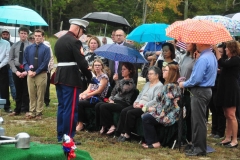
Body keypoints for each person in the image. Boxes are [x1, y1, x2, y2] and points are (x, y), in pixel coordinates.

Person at [54, 19, 92, 143]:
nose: (82, 34)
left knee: (62, 107)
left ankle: (60, 135)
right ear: (78, 29)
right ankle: (68, 137)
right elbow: (82, 62)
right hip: (70, 77)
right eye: (82, 31)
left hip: (59, 76)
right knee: (70, 109)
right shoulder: (75, 42)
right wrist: (90, 77)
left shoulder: (59, 40)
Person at [179, 43, 217, 156]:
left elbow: (196, 79)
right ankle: (196, 146)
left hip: (200, 91)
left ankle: (199, 149)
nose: (195, 44)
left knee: (198, 122)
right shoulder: (210, 56)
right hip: (205, 90)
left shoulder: (203, 58)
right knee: (198, 120)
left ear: (202, 43)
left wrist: (184, 83)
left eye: (197, 42)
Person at [116, 66, 163, 142]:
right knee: (124, 111)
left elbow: (155, 100)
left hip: (148, 107)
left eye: (151, 74)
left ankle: (127, 134)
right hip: (139, 104)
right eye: (148, 74)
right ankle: (121, 132)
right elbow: (140, 94)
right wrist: (136, 102)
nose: (149, 75)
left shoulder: (159, 86)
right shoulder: (147, 84)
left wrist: (143, 106)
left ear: (157, 75)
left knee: (130, 113)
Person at [142, 64, 181, 149]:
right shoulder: (167, 85)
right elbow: (160, 101)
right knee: (145, 114)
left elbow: (167, 106)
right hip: (165, 111)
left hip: (170, 114)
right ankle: (149, 139)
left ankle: (154, 142)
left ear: (171, 73)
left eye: (165, 70)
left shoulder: (171, 86)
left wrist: (154, 109)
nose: (163, 72)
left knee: (146, 117)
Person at [95, 62, 136, 134]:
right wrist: (111, 99)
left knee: (103, 106)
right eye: (121, 69)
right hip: (115, 101)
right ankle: (104, 125)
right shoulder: (121, 81)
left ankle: (111, 125)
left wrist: (116, 81)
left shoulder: (131, 83)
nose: (122, 71)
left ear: (130, 71)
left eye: (124, 69)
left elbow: (122, 91)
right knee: (98, 105)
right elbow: (113, 92)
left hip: (123, 103)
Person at [215, 40, 240, 148]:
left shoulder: (236, 59)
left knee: (231, 115)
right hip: (225, 88)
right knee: (226, 114)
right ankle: (227, 137)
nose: (225, 49)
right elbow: (226, 68)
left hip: (231, 89)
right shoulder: (229, 59)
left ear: (231, 49)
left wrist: (216, 50)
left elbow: (223, 63)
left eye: (227, 48)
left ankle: (234, 140)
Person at [23, 29, 50, 120]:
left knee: (40, 93)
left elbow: (45, 62)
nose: (37, 37)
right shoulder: (28, 48)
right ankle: (32, 111)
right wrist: (28, 70)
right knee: (31, 93)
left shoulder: (46, 49)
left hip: (41, 73)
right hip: (30, 74)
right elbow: (24, 61)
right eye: (36, 36)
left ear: (43, 37)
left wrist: (36, 72)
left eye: (39, 36)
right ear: (33, 36)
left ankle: (39, 112)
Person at [76, 59, 109, 131]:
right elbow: (88, 89)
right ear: (93, 67)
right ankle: (77, 122)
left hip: (98, 98)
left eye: (99, 65)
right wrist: (81, 94)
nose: (97, 67)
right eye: (95, 65)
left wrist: (87, 95)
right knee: (76, 99)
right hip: (90, 96)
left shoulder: (104, 77)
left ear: (102, 66)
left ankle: (81, 124)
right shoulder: (93, 77)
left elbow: (99, 91)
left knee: (79, 103)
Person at [8, 27, 31, 116]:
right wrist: (15, 71)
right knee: (18, 90)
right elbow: (10, 59)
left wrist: (26, 71)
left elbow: (31, 60)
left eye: (25, 33)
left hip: (26, 69)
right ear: (18, 34)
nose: (23, 35)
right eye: (21, 33)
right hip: (17, 69)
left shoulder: (30, 46)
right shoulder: (14, 46)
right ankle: (17, 109)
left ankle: (26, 109)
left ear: (27, 35)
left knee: (26, 90)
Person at [179, 43, 197, 142]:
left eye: (189, 43)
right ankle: (183, 135)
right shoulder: (185, 57)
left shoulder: (196, 58)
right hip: (182, 87)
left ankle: (190, 137)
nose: (186, 44)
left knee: (190, 114)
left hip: (190, 88)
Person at [1, 28, 16, 101]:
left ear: (9, 35)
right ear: (1, 35)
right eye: (4, 34)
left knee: (12, 83)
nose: (5, 36)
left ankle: (15, 98)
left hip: (9, 67)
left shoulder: (12, 44)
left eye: (7, 34)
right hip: (2, 67)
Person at [0, 37, 11, 113]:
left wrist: (0, 65)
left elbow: (8, 56)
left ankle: (6, 106)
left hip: (2, 67)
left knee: (4, 88)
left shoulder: (6, 43)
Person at [43, 39, 54, 107]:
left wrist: (50, 68)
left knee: (47, 86)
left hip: (47, 70)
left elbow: (51, 58)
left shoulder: (48, 46)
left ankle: (46, 101)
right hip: (38, 70)